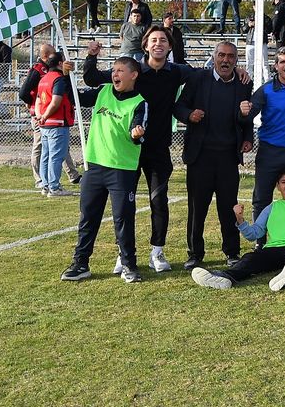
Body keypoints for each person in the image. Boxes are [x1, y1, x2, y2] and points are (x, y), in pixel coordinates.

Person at [82, 26, 210, 274]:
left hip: (158, 149)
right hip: (127, 151)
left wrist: (235, 70)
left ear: (169, 46)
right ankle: (123, 253)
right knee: (123, 207)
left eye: (163, 40)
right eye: (153, 40)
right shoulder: (132, 70)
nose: (158, 43)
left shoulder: (177, 72)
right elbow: (93, 79)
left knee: (159, 201)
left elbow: (203, 74)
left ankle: (156, 251)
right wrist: (91, 56)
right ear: (145, 45)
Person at [60, 56, 149, 284]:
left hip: (121, 170)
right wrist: (65, 76)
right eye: (113, 70)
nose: (115, 74)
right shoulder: (103, 91)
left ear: (133, 75)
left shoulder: (140, 102)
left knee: (123, 219)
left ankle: (129, 265)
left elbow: (137, 130)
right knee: (88, 217)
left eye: (120, 70)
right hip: (94, 166)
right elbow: (76, 98)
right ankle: (80, 264)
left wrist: (136, 133)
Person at [190, 170, 285, 292]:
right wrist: (240, 219)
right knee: (249, 258)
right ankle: (226, 277)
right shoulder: (271, 208)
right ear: (278, 187)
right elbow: (254, 234)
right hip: (273, 249)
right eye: (283, 182)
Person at [173, 41, 254, 270]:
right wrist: (189, 115)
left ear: (236, 60)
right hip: (200, 157)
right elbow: (178, 107)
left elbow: (246, 116)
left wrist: (248, 138)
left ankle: (232, 252)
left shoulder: (243, 83)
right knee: (197, 208)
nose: (225, 60)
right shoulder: (198, 79)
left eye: (230, 56)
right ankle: (195, 254)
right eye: (221, 55)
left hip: (228, 156)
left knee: (229, 207)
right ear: (214, 56)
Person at [242, 46, 285, 219]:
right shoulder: (266, 90)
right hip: (270, 152)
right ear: (276, 66)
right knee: (262, 199)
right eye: (282, 62)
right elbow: (247, 116)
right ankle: (260, 236)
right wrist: (246, 136)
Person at [20, 43, 82, 189]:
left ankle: (70, 175)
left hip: (48, 116)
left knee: (58, 149)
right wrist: (35, 109)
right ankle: (43, 181)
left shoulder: (49, 74)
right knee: (44, 150)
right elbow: (24, 93)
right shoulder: (39, 71)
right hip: (47, 117)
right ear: (47, 56)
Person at [32, 50, 76, 197]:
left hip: (45, 124)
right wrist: (44, 116)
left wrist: (40, 116)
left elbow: (38, 100)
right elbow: (56, 102)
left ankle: (45, 185)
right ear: (59, 63)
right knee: (56, 156)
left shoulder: (44, 78)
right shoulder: (58, 79)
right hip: (57, 123)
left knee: (46, 155)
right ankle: (54, 187)